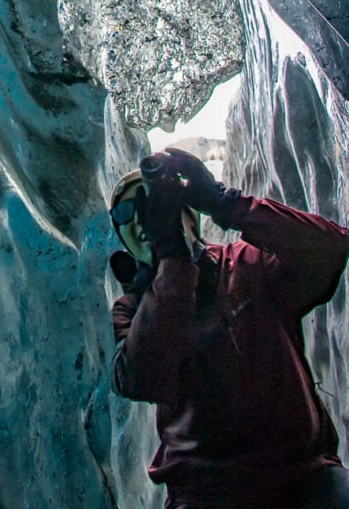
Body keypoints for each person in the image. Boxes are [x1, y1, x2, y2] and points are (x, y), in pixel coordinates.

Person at [109, 146, 349, 509]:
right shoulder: (132, 310)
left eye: (151, 204)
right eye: (126, 212)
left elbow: (328, 249)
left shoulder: (248, 265)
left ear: (188, 215)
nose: (141, 220)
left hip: (304, 475)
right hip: (204, 493)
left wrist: (222, 201)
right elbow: (143, 377)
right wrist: (172, 260)